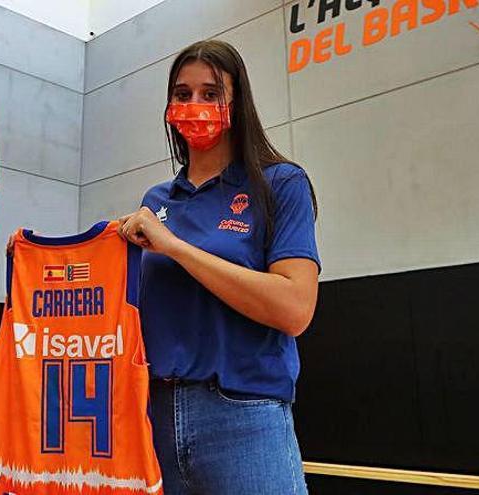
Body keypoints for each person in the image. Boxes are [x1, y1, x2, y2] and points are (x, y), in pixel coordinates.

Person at [116, 39, 320, 494]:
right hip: (155, 418)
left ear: (237, 101)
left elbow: (295, 308)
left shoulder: (281, 184)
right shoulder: (157, 202)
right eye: (183, 94)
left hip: (244, 416)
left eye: (211, 93)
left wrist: (177, 248)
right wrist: (42, 261)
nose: (195, 105)